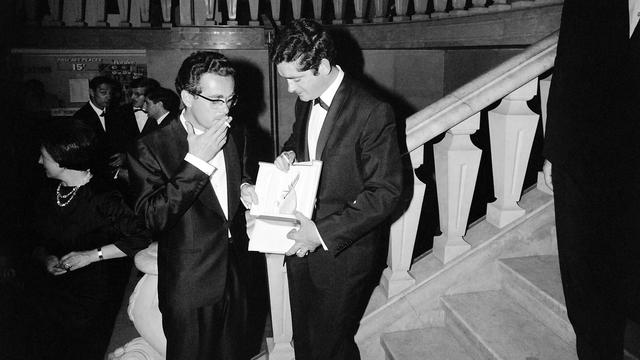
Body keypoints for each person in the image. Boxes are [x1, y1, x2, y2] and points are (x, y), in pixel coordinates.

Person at [267, 19, 403, 359]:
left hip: (344, 253)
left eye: (295, 79)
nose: (289, 90)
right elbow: (301, 143)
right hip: (302, 245)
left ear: (324, 66)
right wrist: (288, 154)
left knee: (331, 346)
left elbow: (385, 192)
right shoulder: (306, 99)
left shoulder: (372, 110)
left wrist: (322, 233)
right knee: (307, 342)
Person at [127, 51, 249, 360]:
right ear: (187, 96)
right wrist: (195, 163)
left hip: (236, 277)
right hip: (189, 287)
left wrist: (248, 188)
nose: (226, 110)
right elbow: (152, 218)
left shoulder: (237, 134)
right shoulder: (151, 148)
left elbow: (237, 184)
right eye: (216, 100)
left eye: (231, 99)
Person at [543, 1, 640, 359]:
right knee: (582, 277)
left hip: (632, 169)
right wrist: (553, 149)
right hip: (580, 160)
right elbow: (566, 62)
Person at [25, 118, 150, 360]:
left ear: (63, 160)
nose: (39, 161)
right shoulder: (47, 192)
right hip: (52, 292)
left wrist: (91, 256)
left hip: (93, 296)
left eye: (44, 156)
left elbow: (142, 238)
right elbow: (34, 239)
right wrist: (47, 257)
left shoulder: (105, 197)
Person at [72, 76, 123, 185]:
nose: (108, 97)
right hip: (94, 177)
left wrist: (124, 155)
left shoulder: (116, 113)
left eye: (110, 93)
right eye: (103, 92)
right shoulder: (80, 118)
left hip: (117, 175)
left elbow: (123, 139)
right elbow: (84, 153)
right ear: (91, 92)